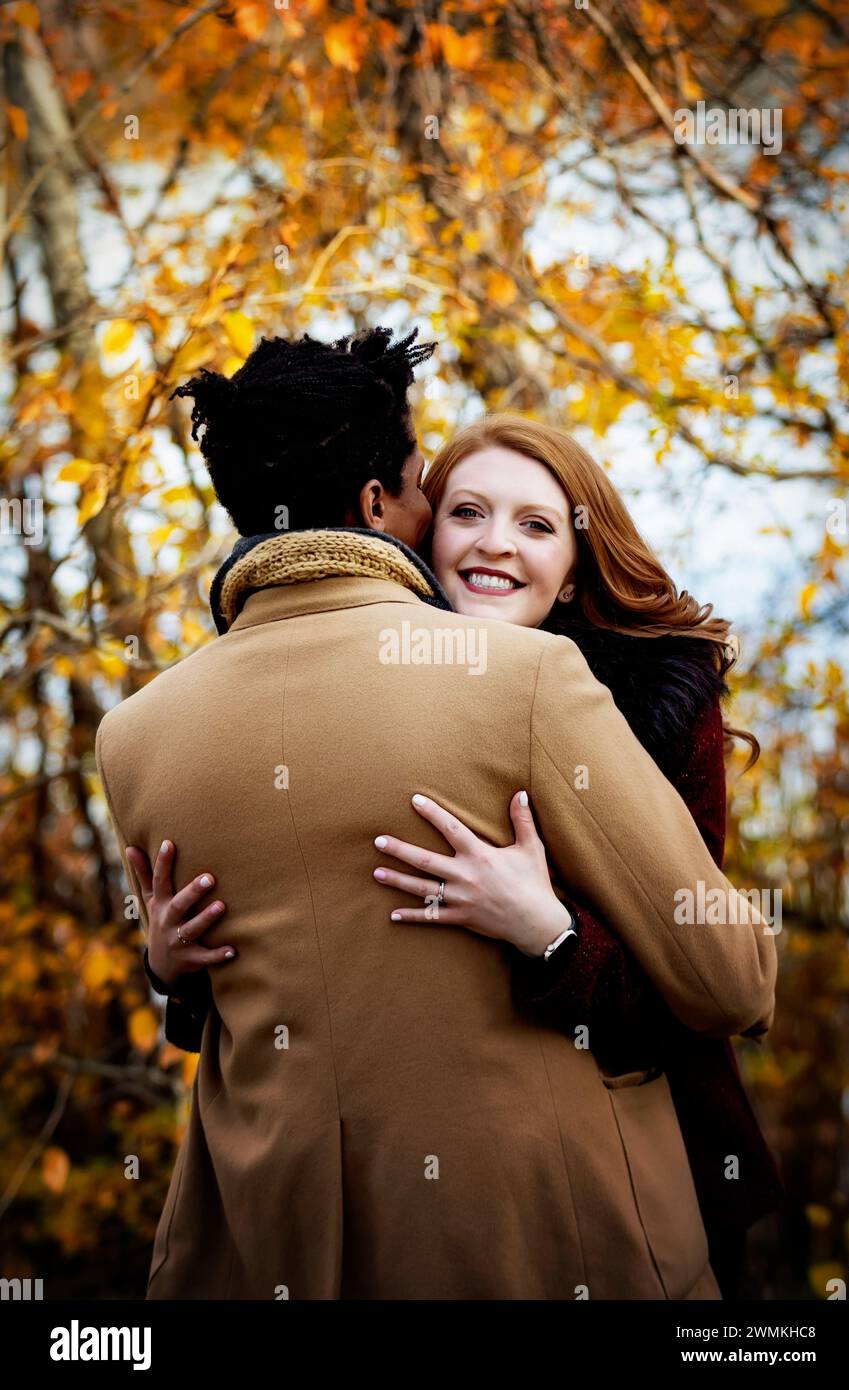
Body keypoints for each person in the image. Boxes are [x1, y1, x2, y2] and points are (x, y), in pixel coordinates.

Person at [97, 325, 778, 1300]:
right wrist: (172, 971)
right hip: (541, 1243)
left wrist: (549, 934)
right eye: (442, 498)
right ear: (378, 504)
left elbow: (264, 977)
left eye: (537, 526)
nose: (481, 540)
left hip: (263, 1253)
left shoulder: (136, 732)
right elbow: (732, 977)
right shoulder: (527, 679)